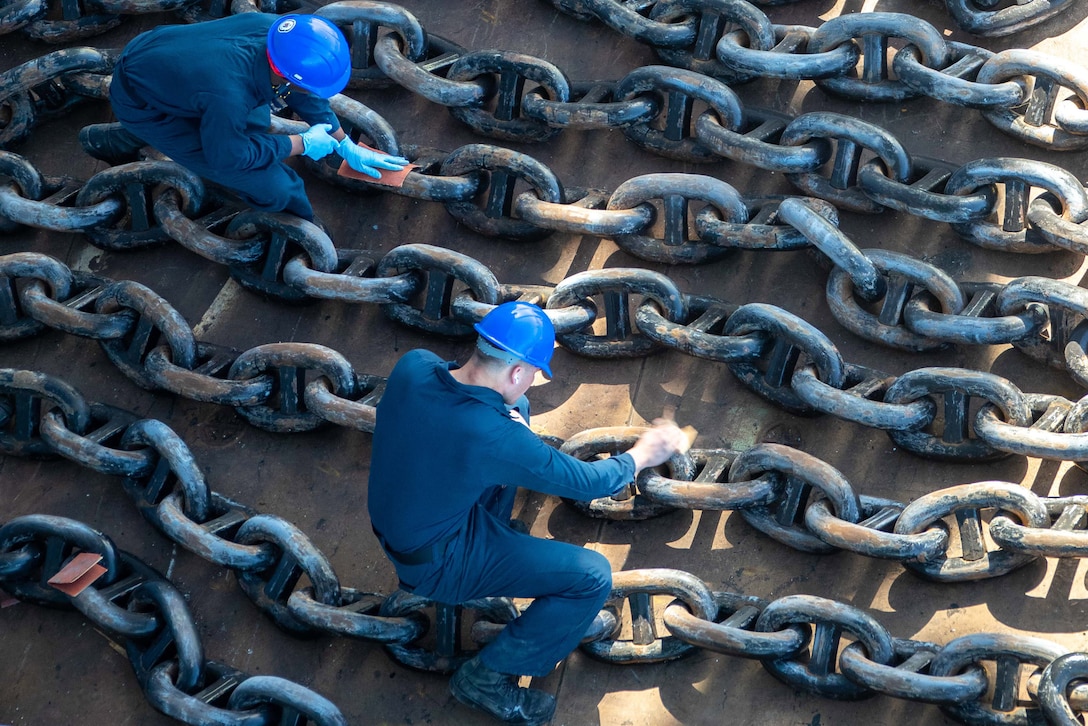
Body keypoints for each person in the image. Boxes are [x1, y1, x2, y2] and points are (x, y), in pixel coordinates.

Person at [368, 301, 687, 725]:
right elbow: (592, 482)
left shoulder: (414, 366)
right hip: (436, 563)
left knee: (518, 413)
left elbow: (453, 419)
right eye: (534, 374)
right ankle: (486, 680)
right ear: (517, 371)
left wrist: (509, 432)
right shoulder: (493, 435)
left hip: (407, 519)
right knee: (590, 577)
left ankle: (497, 541)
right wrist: (644, 454)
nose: (534, 383)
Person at [78, 13, 409, 222]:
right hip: (146, 104)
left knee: (251, 125)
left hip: (165, 67)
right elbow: (227, 156)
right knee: (277, 186)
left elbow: (302, 90)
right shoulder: (228, 95)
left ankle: (109, 139)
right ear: (283, 74)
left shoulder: (276, 33)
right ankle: (299, 225)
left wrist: (343, 142)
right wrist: (301, 143)